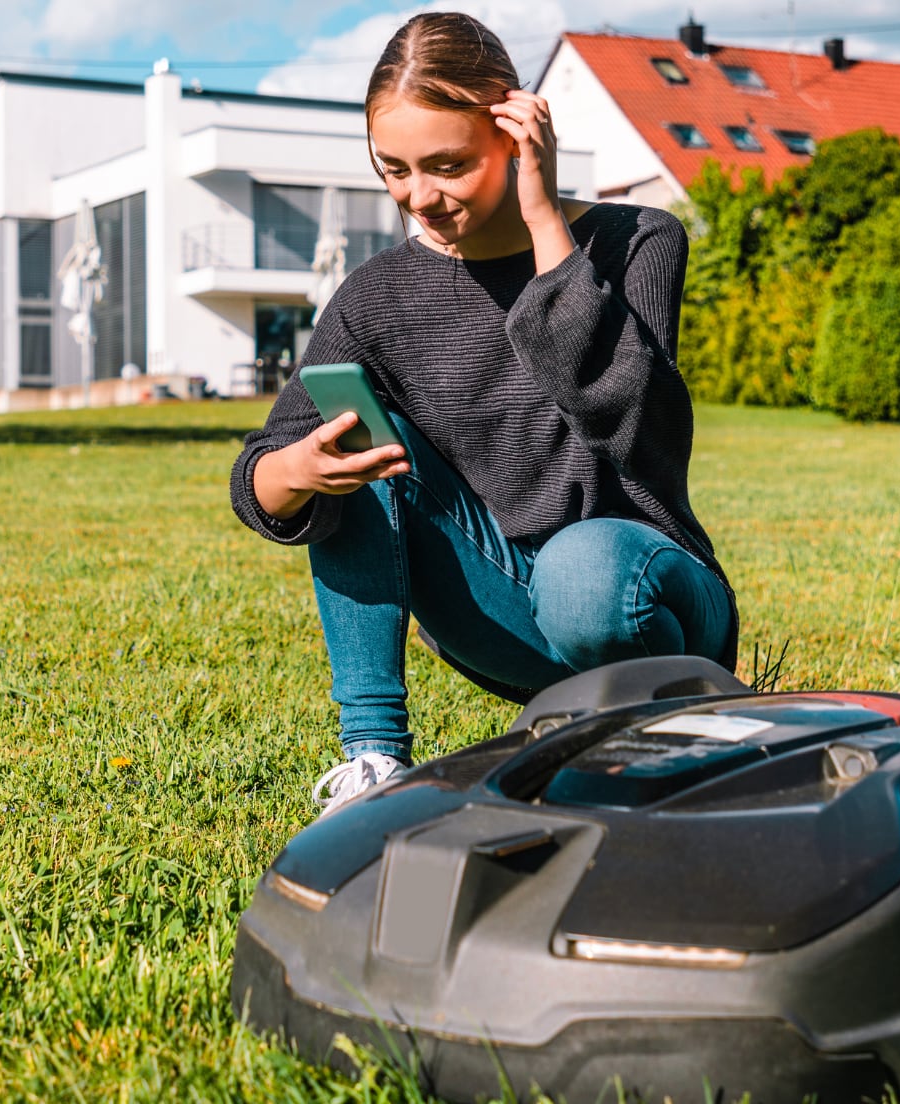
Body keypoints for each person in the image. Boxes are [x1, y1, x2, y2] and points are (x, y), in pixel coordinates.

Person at [227, 12, 738, 818]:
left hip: (647, 596)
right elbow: (263, 467)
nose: (417, 196)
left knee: (582, 570)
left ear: (516, 129)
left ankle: (660, 723)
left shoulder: (638, 239)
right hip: (504, 614)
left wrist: (544, 227)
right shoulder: (374, 300)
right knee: (355, 445)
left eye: (447, 165)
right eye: (392, 168)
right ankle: (374, 761)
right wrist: (296, 472)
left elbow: (637, 428)